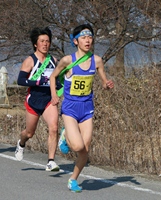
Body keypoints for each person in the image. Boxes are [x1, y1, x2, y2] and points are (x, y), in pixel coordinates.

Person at [49, 24, 114, 192]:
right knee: (77, 146)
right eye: (84, 37)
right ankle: (65, 135)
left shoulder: (97, 61)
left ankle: (73, 179)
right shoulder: (67, 60)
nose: (88, 40)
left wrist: (107, 85)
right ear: (76, 41)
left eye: (90, 37)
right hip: (70, 107)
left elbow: (103, 83)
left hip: (87, 108)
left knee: (85, 149)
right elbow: (53, 77)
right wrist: (54, 95)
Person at [14, 27, 60, 172]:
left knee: (54, 127)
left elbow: (58, 81)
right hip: (33, 100)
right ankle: (21, 144)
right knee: (29, 133)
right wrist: (38, 82)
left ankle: (51, 161)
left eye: (47, 41)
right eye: (42, 41)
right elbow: (20, 80)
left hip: (48, 100)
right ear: (36, 44)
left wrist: (58, 90)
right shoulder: (30, 60)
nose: (45, 44)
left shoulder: (54, 60)